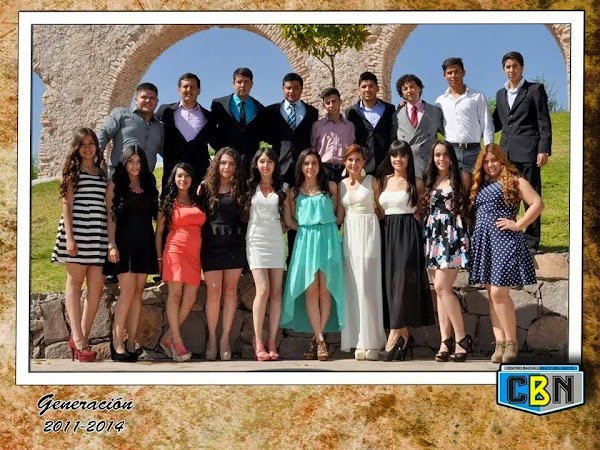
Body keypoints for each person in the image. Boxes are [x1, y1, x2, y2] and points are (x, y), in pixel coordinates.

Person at [469, 144, 543, 364]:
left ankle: (511, 342)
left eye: (494, 160)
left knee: (499, 293)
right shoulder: (480, 184)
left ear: (502, 161)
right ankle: (500, 342)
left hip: (504, 241)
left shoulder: (515, 180)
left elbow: (537, 203)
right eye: (486, 161)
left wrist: (518, 224)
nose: (490, 164)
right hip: (484, 243)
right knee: (492, 294)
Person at [280, 149, 344, 361]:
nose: (310, 167)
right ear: (300, 166)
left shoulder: (331, 187)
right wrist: (305, 230)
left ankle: (317, 338)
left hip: (328, 240)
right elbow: (289, 220)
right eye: (306, 163)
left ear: (320, 166)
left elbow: (339, 216)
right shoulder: (293, 192)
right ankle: (320, 339)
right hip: (305, 242)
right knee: (310, 290)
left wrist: (326, 229)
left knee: (325, 290)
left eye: (314, 163)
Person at [51, 127, 108, 362]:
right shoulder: (72, 172)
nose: (87, 148)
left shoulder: (102, 173)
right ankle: (78, 338)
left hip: (98, 234)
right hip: (76, 233)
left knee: (96, 287)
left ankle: (81, 337)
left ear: (96, 146)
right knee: (75, 284)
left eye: (91, 143)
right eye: (83, 144)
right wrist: (70, 238)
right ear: (76, 147)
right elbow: (66, 206)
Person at [377, 140, 434, 361]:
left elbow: (422, 209)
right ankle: (405, 336)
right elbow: (379, 209)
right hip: (387, 233)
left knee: (402, 285)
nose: (398, 159)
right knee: (390, 286)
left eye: (402, 155)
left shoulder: (416, 182)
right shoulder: (383, 180)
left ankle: (393, 336)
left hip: (408, 233)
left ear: (409, 158)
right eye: (394, 155)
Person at [492, 51, 552, 254]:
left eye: (515, 66)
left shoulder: (534, 89)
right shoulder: (500, 94)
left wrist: (543, 149)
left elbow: (544, 121)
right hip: (506, 154)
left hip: (528, 151)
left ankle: (531, 240)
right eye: (508, 67)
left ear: (522, 68)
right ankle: (509, 235)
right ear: (504, 69)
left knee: (530, 195)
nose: (512, 70)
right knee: (507, 196)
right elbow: (496, 122)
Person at [104, 146, 159, 362]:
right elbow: (110, 217)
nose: (135, 165)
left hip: (144, 242)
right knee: (127, 292)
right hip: (123, 243)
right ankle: (117, 342)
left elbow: (155, 214)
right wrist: (111, 244)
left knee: (138, 293)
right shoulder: (115, 184)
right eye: (130, 161)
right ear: (124, 162)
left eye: (138, 161)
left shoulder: (148, 183)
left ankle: (131, 342)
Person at [422, 140, 472, 362]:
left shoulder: (462, 177)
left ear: (451, 156)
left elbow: (469, 206)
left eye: (444, 154)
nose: (441, 159)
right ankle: (445, 341)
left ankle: (462, 338)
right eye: (437, 155)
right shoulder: (430, 179)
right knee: (439, 290)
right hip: (433, 235)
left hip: (452, 234)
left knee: (443, 287)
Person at [337, 144, 386, 361]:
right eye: (350, 160)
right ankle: (357, 339)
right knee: (353, 287)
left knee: (368, 285)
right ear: (344, 162)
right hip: (350, 236)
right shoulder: (341, 185)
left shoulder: (372, 181)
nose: (354, 164)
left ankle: (372, 341)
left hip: (369, 234)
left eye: (358, 160)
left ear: (364, 162)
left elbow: (382, 211)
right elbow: (340, 216)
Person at [198, 147, 247, 361]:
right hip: (211, 245)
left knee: (230, 291)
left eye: (231, 164)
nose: (227, 167)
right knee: (214, 291)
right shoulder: (204, 188)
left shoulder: (241, 188)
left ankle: (225, 338)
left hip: (234, 244)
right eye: (224, 163)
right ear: (217, 164)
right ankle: (211, 338)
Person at [266, 72, 319, 266]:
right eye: (288, 88)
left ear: (302, 89)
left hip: (303, 170)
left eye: (296, 87)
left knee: (299, 211)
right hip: (280, 170)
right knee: (277, 212)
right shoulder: (272, 111)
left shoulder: (312, 112)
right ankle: (274, 261)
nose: (292, 91)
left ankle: (297, 259)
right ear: (283, 89)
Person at [155, 163, 206, 362]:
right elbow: (159, 232)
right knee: (175, 294)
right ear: (174, 179)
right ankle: (176, 340)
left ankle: (167, 337)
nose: (183, 179)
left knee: (190, 297)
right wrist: (159, 258)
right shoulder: (167, 202)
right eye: (179, 176)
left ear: (192, 179)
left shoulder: (198, 200)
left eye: (186, 176)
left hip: (194, 255)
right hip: (175, 250)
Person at [243, 148, 290, 361]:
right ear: (256, 164)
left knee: (276, 293)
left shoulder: (284, 188)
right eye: (262, 161)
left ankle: (272, 341)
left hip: (276, 242)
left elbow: (287, 220)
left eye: (269, 161)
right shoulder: (248, 187)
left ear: (275, 165)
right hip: (256, 242)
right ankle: (258, 340)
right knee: (262, 290)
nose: (265, 165)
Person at [435, 57, 494, 190]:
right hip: (451, 151)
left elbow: (487, 125)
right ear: (444, 76)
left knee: (477, 188)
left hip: (474, 151)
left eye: (457, 71)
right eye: (449, 73)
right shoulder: (440, 101)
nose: (453, 75)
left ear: (463, 73)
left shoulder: (477, 97)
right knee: (453, 189)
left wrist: (488, 150)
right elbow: (439, 126)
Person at [156, 73, 214, 189]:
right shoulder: (166, 111)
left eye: (192, 87)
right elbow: (152, 129)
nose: (189, 90)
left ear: (199, 90)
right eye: (185, 86)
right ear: (179, 89)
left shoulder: (208, 116)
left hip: (199, 174)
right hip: (172, 173)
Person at [97, 82, 164, 177]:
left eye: (152, 98)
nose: (148, 100)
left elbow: (165, 152)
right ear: (136, 99)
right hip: (119, 175)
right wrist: (96, 160)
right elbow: (103, 134)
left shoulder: (160, 127)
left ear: (157, 101)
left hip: (146, 178)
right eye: (144, 97)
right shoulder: (121, 114)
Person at [392, 73, 444, 191]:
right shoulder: (397, 115)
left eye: (412, 87)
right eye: (405, 89)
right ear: (402, 93)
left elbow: (447, 133)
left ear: (419, 88)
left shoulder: (435, 111)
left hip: (429, 166)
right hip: (407, 167)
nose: (409, 91)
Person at [210, 67, 268, 170]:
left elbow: (262, 134)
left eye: (246, 82)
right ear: (233, 83)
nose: (242, 85)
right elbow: (210, 130)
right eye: (239, 82)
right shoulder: (219, 104)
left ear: (252, 84)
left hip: (250, 163)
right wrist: (220, 149)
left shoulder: (260, 109)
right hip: (225, 161)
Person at [346, 71, 396, 175]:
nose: (367, 90)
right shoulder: (351, 112)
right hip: (362, 167)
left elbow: (393, 136)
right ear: (359, 89)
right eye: (364, 87)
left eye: (371, 86)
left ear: (377, 88)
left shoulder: (390, 109)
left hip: (386, 166)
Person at [311, 87, 355, 183]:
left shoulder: (350, 126)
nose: (331, 105)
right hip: (324, 169)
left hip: (345, 170)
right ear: (324, 105)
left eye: (334, 101)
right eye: (328, 103)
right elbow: (313, 148)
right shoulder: (318, 126)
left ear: (340, 102)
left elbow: (353, 149)